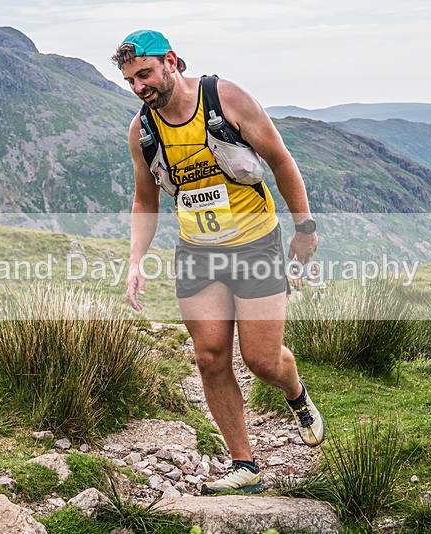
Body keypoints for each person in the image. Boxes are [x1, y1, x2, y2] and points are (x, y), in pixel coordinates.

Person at [112, 29, 326, 495]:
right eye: (130, 81)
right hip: (197, 252)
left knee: (262, 360)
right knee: (209, 357)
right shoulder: (142, 131)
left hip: (255, 245)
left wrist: (305, 229)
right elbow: (145, 199)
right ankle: (244, 465)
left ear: (171, 61)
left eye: (145, 74)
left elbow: (281, 162)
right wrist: (135, 261)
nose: (139, 87)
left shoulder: (226, 99)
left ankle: (295, 392)